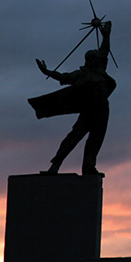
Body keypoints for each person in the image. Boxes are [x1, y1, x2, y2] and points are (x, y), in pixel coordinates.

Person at [29, 20, 116, 177]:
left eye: (98, 58)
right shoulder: (82, 74)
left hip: (103, 109)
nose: (99, 60)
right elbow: (64, 77)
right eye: (95, 59)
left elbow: (105, 51)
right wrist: (47, 71)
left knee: (96, 140)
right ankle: (55, 166)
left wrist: (107, 35)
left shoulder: (101, 70)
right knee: (74, 138)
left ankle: (89, 168)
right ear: (89, 61)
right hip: (89, 110)